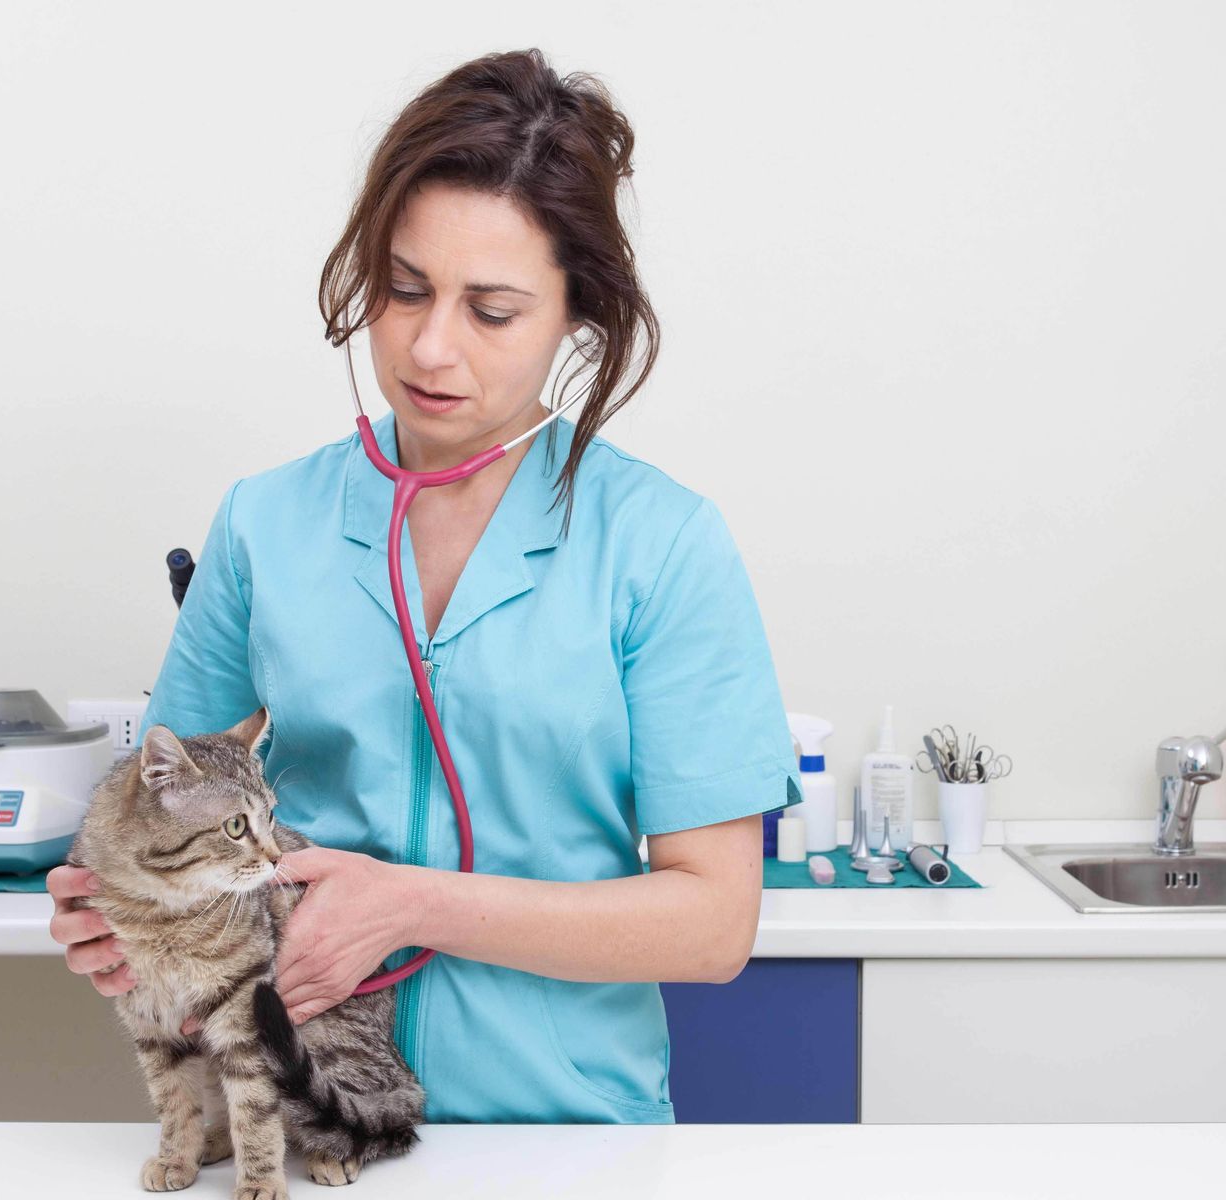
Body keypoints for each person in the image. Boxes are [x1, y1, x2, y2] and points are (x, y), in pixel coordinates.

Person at [46, 48, 800, 1123]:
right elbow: (153, 817)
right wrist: (108, 913)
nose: (429, 345)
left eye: (491, 311)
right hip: (308, 1133)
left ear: (576, 315)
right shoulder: (264, 524)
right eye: (404, 289)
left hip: (565, 1140)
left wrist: (414, 905)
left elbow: (713, 923)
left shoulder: (661, 544)